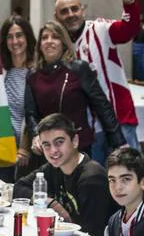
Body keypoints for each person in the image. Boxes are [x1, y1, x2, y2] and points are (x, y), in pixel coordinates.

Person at [20, 21, 124, 168]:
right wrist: (36, 135)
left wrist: (118, 142)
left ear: (63, 42)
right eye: (44, 38)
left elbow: (102, 105)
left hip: (78, 146)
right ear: (39, 45)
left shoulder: (79, 68)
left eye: (55, 37)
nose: (49, 41)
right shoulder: (32, 74)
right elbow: (30, 113)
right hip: (48, 150)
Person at [53, 0, 141, 152]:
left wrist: (129, 1)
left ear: (83, 11)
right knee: (96, 178)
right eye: (64, 11)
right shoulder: (57, 47)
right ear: (56, 17)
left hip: (119, 119)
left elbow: (127, 30)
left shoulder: (101, 29)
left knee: (129, 175)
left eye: (74, 9)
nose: (71, 14)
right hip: (86, 129)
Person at [12, 113, 114, 236]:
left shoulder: (91, 178)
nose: (53, 150)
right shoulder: (54, 167)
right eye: (46, 145)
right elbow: (18, 188)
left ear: (75, 141)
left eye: (59, 142)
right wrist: (50, 203)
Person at [0, 17, 37, 168]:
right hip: (1, 148)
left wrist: (25, 146)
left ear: (27, 37)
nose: (15, 41)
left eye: (19, 35)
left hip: (25, 152)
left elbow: (35, 113)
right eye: (9, 37)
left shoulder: (36, 72)